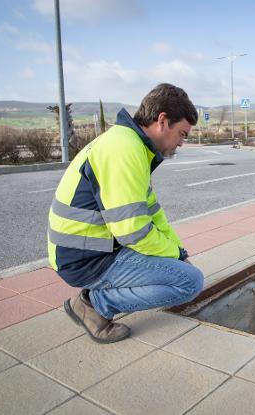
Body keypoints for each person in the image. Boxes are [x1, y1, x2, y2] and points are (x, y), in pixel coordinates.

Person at [47, 83, 204, 344]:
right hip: (83, 258)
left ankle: (95, 300)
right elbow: (134, 232)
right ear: (162, 121)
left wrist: (180, 252)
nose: (181, 143)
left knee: (182, 269)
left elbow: (154, 214)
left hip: (98, 248)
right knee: (189, 282)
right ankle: (94, 305)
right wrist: (175, 256)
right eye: (182, 134)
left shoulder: (133, 146)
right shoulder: (125, 149)